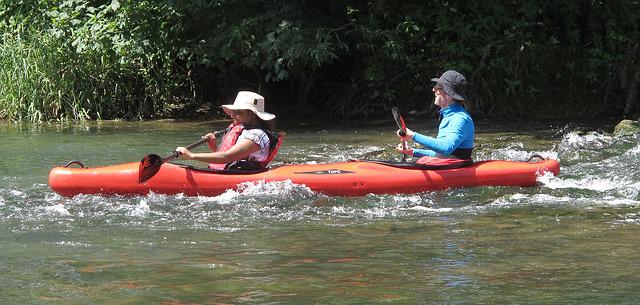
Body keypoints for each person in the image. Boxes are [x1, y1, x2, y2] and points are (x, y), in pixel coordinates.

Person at [176, 91, 281, 170]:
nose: (232, 115)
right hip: (236, 171)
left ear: (251, 114)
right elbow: (230, 156)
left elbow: (228, 157)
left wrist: (191, 156)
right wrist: (214, 146)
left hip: (245, 176)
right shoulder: (245, 129)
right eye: (233, 111)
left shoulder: (257, 136)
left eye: (237, 112)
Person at [397, 70, 474, 160]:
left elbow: (445, 148)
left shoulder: (460, 119)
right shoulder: (448, 116)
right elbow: (440, 154)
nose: (434, 89)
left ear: (450, 95)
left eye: (439, 87)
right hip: (446, 166)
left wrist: (413, 136)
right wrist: (412, 151)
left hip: (454, 169)